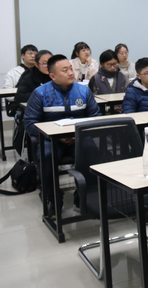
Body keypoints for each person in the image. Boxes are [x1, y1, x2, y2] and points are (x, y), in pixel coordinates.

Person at [24, 54, 100, 216]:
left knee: (91, 150)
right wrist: (53, 136)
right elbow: (30, 123)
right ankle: (52, 198)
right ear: (52, 76)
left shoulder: (83, 91)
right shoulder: (40, 93)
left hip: (78, 138)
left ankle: (83, 197)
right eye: (64, 70)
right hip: (50, 140)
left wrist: (78, 135)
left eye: (71, 68)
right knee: (46, 155)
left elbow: (96, 117)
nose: (70, 73)